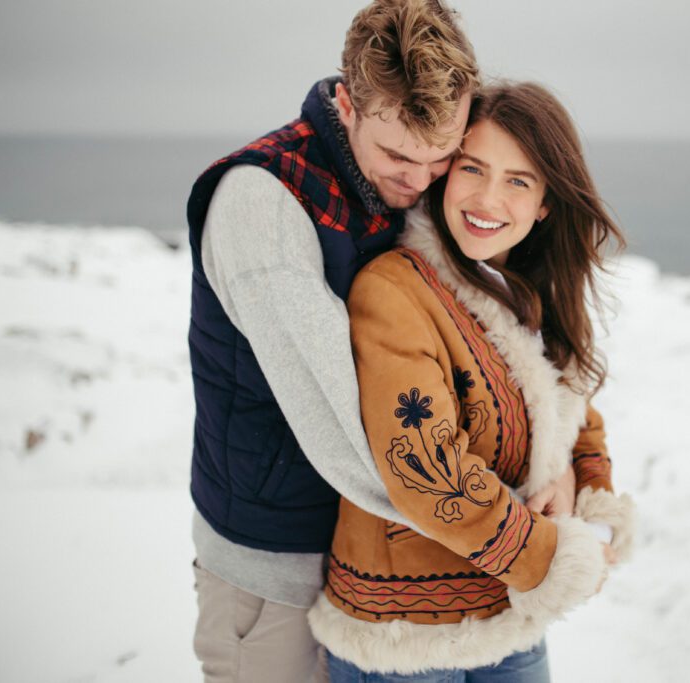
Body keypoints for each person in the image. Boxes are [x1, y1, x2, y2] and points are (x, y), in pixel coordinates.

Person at [183, 2, 485, 680]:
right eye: (399, 156)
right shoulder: (262, 203)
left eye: (441, 161)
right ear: (347, 104)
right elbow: (341, 422)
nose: (419, 182)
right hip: (275, 573)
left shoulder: (405, 180)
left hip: (375, 556)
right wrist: (495, 522)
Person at [308, 82, 636, 682]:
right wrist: (552, 559)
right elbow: (426, 469)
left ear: (544, 204)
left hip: (509, 621)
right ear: (444, 173)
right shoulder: (393, 290)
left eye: (519, 180)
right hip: (407, 638)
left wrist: (586, 497)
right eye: (473, 168)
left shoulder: (526, 293)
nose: (489, 198)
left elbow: (575, 412)